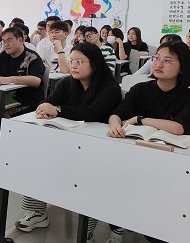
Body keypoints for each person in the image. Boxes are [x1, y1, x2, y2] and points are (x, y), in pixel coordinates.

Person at [106, 40, 190, 243]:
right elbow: (117, 113)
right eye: (156, 58)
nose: (158, 64)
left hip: (173, 163)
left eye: (167, 60)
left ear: (182, 67)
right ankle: (116, 235)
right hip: (136, 157)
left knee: (168, 200)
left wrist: (141, 119)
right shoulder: (141, 89)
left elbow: (178, 128)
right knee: (114, 184)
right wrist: (115, 124)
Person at [15, 42, 122, 232]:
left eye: (79, 62)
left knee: (90, 180)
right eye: (72, 61)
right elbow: (48, 101)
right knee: (36, 160)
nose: (73, 66)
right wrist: (43, 109)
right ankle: (37, 212)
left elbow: (92, 113)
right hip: (66, 141)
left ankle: (87, 229)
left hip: (97, 147)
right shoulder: (67, 83)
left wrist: (57, 110)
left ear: (95, 64)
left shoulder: (110, 87)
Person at [0, 27, 45, 117]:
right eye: (3, 41)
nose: (6, 44)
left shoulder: (32, 57)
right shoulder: (4, 55)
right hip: (5, 96)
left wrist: (9, 79)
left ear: (20, 40)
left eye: (9, 40)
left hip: (27, 98)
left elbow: (36, 80)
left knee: (3, 112)